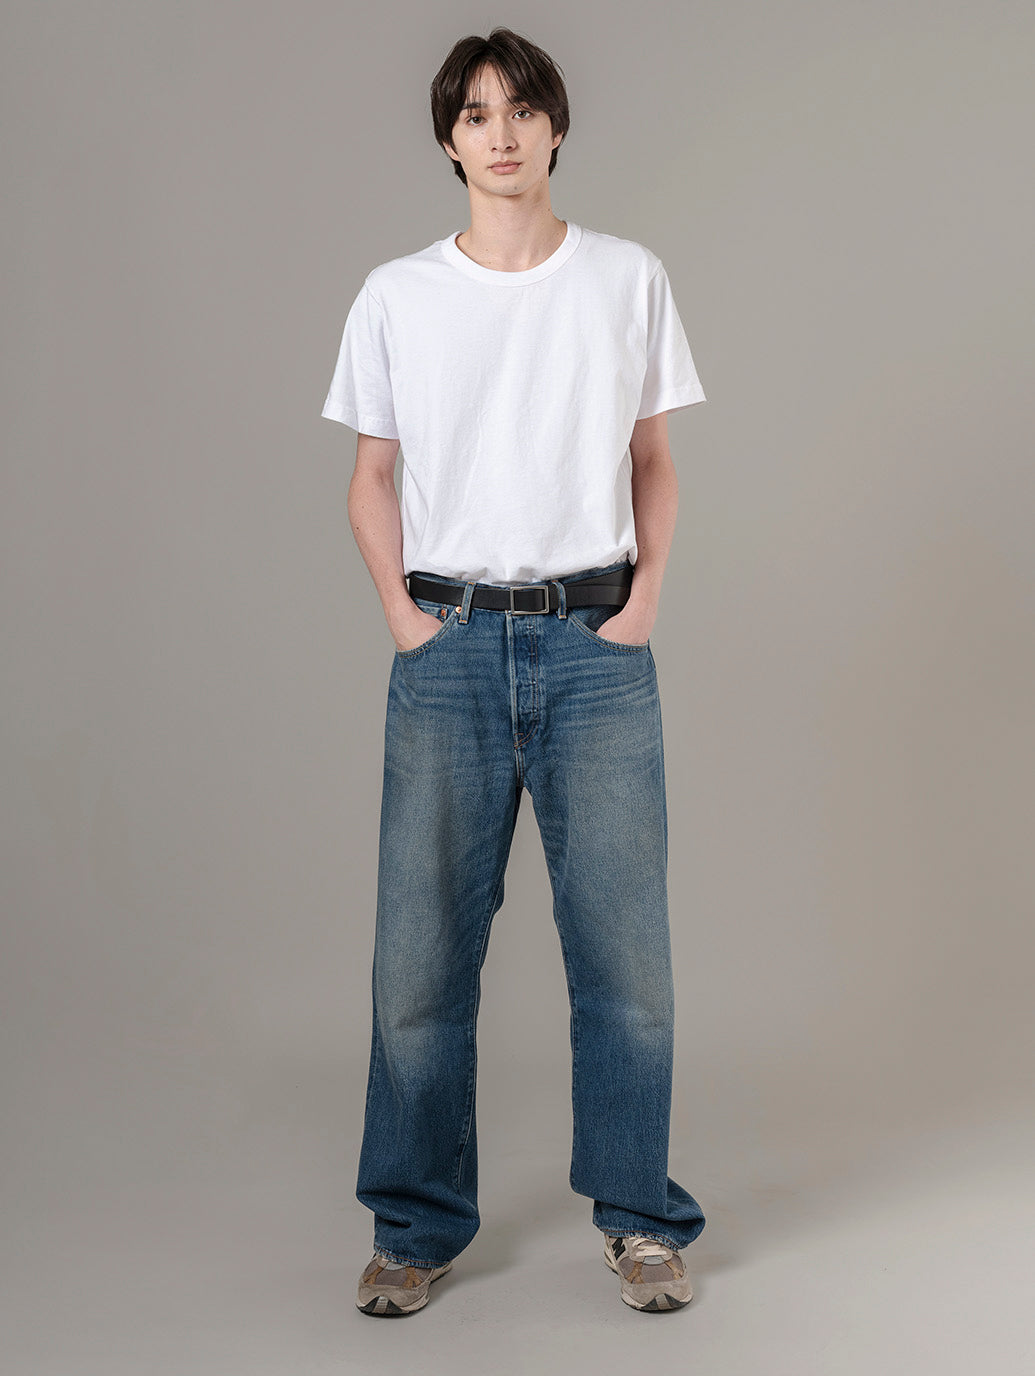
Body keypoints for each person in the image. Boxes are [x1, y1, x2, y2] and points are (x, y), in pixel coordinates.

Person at [321, 26, 708, 1316]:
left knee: (627, 963)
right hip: (448, 649)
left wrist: (643, 606)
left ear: (555, 130)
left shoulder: (627, 277)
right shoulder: (397, 294)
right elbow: (371, 479)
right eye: (477, 114)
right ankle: (414, 1225)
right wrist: (403, 618)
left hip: (595, 647)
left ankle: (641, 1219)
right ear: (449, 139)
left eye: (522, 110)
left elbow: (653, 461)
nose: (501, 133)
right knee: (419, 963)